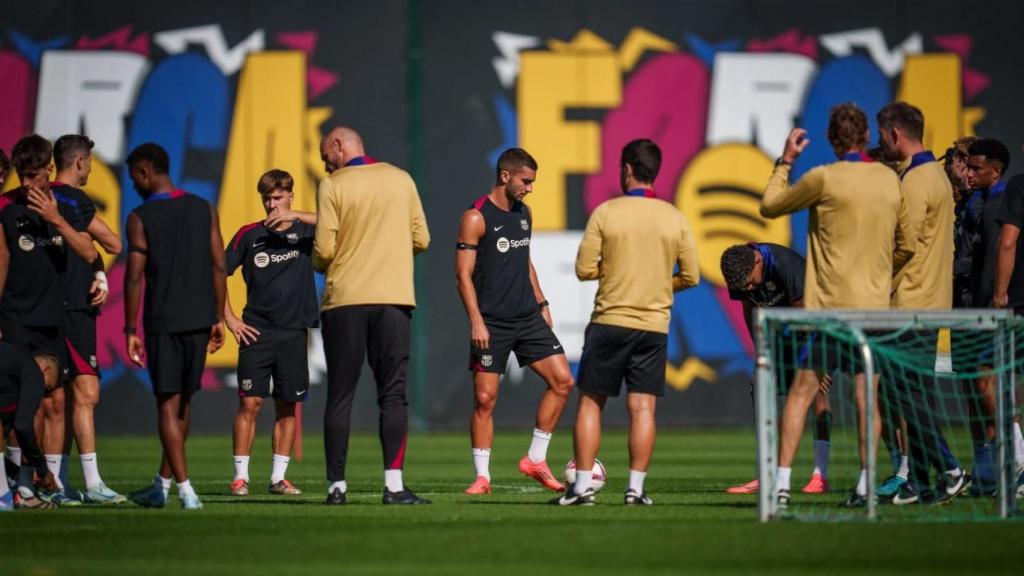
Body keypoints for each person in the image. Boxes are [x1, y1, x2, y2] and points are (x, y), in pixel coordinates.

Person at [760, 103, 914, 508]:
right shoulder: (888, 180)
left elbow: (770, 205)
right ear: (866, 136)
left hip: (828, 311)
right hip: (874, 311)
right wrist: (879, 269)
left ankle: (781, 484)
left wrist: (785, 160)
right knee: (868, 395)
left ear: (831, 139)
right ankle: (865, 484)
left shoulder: (824, 178)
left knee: (800, 394)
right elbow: (908, 244)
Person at [555, 138, 699, 506]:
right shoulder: (675, 217)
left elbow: (584, 269)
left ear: (628, 169)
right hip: (653, 325)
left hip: (610, 320)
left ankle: (582, 487)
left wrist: (620, 271)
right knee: (644, 408)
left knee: (590, 403)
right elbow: (692, 276)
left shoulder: (606, 212)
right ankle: (635, 490)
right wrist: (654, 280)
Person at [315, 126, 431, 505]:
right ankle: (394, 487)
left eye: (325, 155)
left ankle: (336, 488)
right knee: (393, 396)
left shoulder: (333, 185)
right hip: (393, 300)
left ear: (338, 145)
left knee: (340, 396)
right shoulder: (401, 179)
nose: (325, 163)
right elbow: (422, 239)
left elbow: (325, 250)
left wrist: (321, 261)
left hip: (345, 300)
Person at [455, 148, 575, 495]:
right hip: (491, 322)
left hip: (527, 317)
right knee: (485, 399)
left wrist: (542, 302)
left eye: (533, 182)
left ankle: (535, 459)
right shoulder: (475, 217)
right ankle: (482, 477)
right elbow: (462, 276)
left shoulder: (524, 214)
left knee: (563, 381)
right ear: (505, 176)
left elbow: (525, 261)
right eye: (526, 181)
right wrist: (476, 322)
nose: (530, 188)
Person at [875, 102, 969, 505]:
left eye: (882, 136)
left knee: (902, 395)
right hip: (933, 302)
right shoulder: (937, 177)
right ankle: (929, 481)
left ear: (895, 134)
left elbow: (905, 244)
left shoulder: (914, 182)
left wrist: (872, 271)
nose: (882, 143)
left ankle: (949, 468)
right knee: (915, 395)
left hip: (910, 304)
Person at [122, 143, 226, 510]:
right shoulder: (203, 208)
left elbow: (133, 279)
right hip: (200, 318)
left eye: (134, 174)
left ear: (147, 171)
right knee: (183, 404)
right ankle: (161, 486)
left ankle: (186, 491)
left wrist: (129, 329)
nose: (133, 182)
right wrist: (218, 316)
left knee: (167, 405)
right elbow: (218, 264)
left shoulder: (139, 218)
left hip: (164, 320)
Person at [0, 134, 96, 508]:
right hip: (17, 319)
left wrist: (55, 219)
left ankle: (50, 486)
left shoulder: (67, 208)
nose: (26, 184)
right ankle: (21, 485)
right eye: (22, 176)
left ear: (50, 171)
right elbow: (3, 262)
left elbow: (89, 251)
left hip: (55, 319)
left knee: (57, 402)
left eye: (34, 175)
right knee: (25, 403)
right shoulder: (7, 210)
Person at [224, 169, 317, 497]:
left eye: (278, 197)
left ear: (291, 196)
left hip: (293, 332)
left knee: (288, 405)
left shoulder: (307, 231)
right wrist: (229, 318)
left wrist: (295, 215)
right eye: (267, 198)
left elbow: (341, 221)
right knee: (250, 403)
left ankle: (278, 478)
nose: (272, 204)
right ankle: (240, 478)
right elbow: (217, 272)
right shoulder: (249, 235)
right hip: (257, 333)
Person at [720, 242, 833, 496]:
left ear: (758, 262)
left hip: (810, 330)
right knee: (760, 388)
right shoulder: (737, 272)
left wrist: (817, 360)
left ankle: (820, 475)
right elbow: (750, 312)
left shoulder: (787, 266)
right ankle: (766, 473)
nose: (748, 289)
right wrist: (760, 353)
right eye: (743, 287)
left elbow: (807, 317)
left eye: (750, 283)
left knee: (819, 394)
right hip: (777, 336)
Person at [50, 134, 124, 504]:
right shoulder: (73, 199)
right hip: (73, 310)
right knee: (84, 395)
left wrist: (99, 273)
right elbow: (112, 243)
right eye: (90, 161)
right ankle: (90, 484)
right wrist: (97, 265)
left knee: (55, 399)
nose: (92, 167)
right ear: (79, 162)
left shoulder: (30, 199)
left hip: (42, 310)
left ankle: (55, 484)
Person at [960, 138, 1011, 494]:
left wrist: (997, 298)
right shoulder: (971, 201)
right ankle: (986, 470)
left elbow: (1001, 252)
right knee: (972, 385)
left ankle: (1015, 460)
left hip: (994, 307)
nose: (966, 172)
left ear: (995, 169)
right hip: (967, 307)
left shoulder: (1003, 200)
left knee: (995, 385)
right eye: (963, 165)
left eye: (973, 166)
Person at [987, 169, 1024, 498]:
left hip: (1021, 302)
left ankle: (1021, 464)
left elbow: (1008, 241)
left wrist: (1000, 295)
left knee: (1009, 382)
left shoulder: (1019, 185)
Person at [0, 342, 61, 510]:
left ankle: (12, 485)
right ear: (46, 370)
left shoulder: (12, 361)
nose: (44, 393)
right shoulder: (34, 371)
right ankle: (4, 495)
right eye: (47, 387)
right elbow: (23, 427)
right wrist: (43, 470)